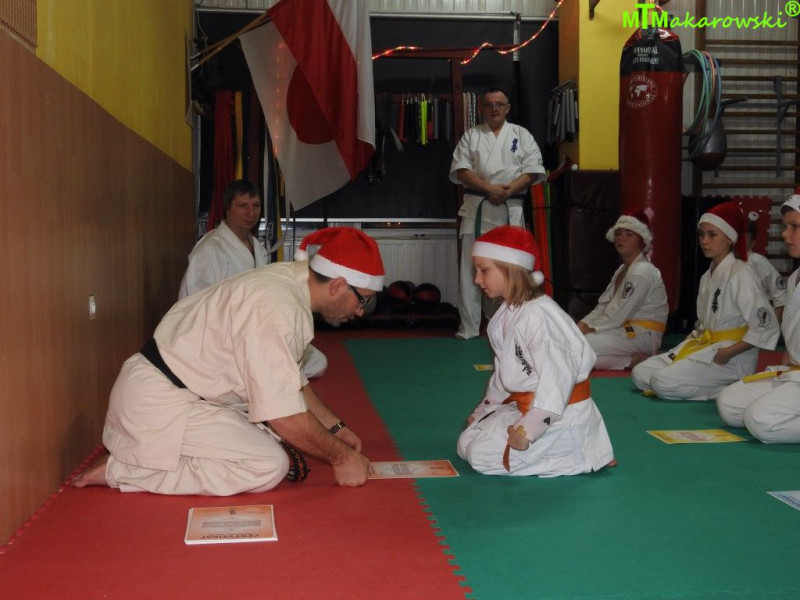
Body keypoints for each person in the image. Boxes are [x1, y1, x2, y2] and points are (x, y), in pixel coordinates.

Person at [72, 227, 384, 495]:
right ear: (337, 285)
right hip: (160, 402)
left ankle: (149, 456)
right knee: (268, 464)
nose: (360, 312)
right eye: (363, 300)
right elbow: (284, 416)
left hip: (185, 393)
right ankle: (127, 470)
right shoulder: (277, 308)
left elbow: (292, 381)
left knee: (275, 438)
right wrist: (341, 458)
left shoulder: (290, 281)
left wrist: (334, 428)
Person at [456, 225, 615, 476]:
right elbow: (505, 374)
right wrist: (485, 409)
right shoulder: (506, 313)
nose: (477, 279)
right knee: (465, 444)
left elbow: (557, 378)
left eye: (484, 270)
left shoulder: (540, 316)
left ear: (511, 269)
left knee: (479, 456)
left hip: (560, 411)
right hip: (527, 404)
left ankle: (579, 453)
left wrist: (529, 429)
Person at [178, 179, 327, 378]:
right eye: (242, 206)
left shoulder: (256, 246)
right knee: (290, 361)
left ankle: (259, 370)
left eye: (255, 206)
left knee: (317, 361)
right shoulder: (209, 249)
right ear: (227, 209)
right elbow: (192, 302)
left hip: (252, 329)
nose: (251, 213)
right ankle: (252, 372)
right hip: (220, 336)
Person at [631, 201, 780, 401]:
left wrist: (728, 352)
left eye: (712, 235)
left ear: (729, 239)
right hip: (708, 346)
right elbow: (705, 322)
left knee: (660, 382)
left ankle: (724, 389)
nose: (704, 241)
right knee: (640, 373)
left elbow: (765, 324)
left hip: (732, 357)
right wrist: (694, 335)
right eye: (701, 234)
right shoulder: (706, 277)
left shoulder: (741, 273)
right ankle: (705, 382)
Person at [449, 88, 546, 340]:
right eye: (489, 105)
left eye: (499, 104)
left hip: (509, 209)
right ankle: (469, 327)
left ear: (507, 108)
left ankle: (508, 324)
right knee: (471, 270)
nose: (494, 109)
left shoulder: (521, 135)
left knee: (511, 269)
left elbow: (533, 169)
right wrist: (489, 189)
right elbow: (461, 170)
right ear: (482, 108)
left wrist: (508, 190)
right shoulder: (472, 136)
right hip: (478, 208)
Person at [716, 190, 800, 443]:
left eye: (794, 227)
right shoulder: (795, 278)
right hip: (794, 373)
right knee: (729, 403)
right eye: (785, 227)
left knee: (760, 419)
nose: (784, 234)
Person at [577, 208, 668, 370]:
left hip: (644, 333)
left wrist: (589, 329)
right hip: (624, 329)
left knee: (579, 345)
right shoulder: (622, 270)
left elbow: (618, 313)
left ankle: (634, 357)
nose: (621, 238)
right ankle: (631, 361)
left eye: (629, 234)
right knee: (578, 354)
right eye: (618, 233)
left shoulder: (642, 271)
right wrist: (583, 324)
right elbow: (604, 306)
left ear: (642, 241)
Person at [744, 215, 786, 322]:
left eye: (744, 240)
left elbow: (781, 298)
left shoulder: (758, 261)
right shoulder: (725, 262)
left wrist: (773, 326)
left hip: (758, 321)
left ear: (752, 243)